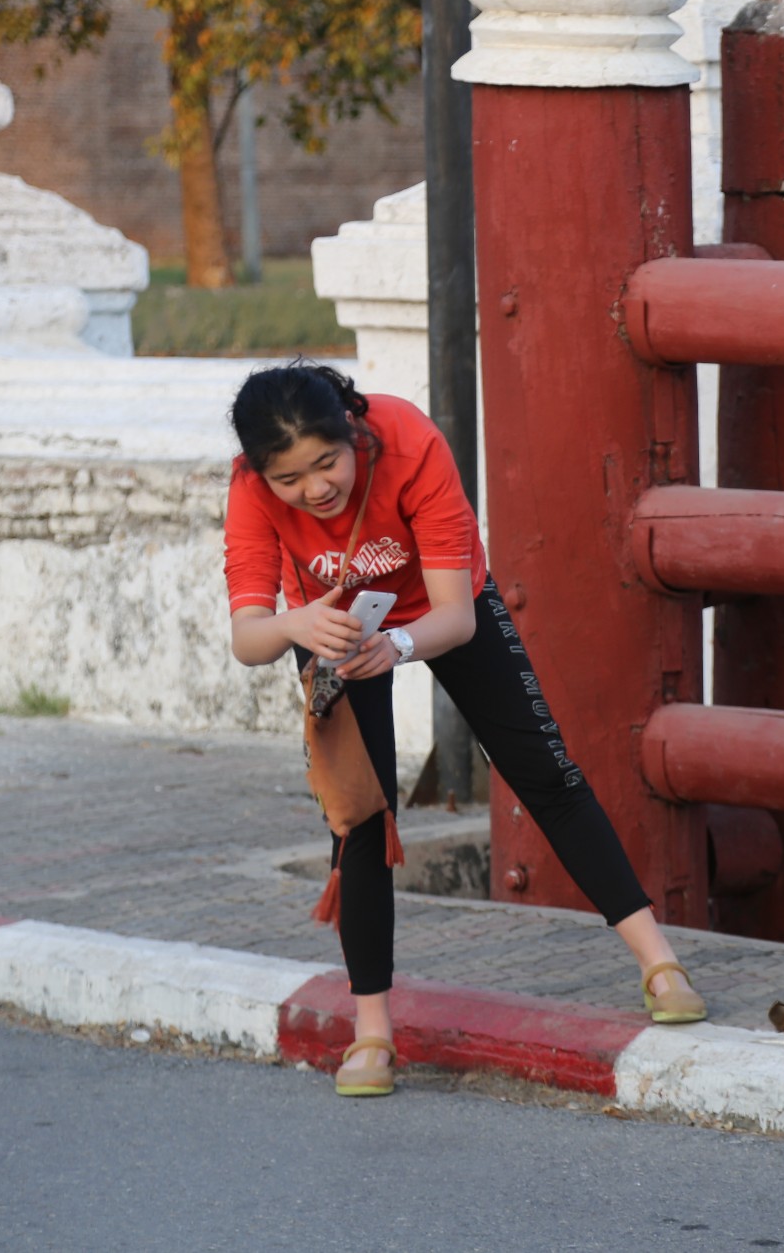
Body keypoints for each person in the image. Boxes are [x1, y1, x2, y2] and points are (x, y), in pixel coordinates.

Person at [222, 363, 706, 1098]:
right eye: (291, 479)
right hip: (328, 628)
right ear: (260, 474)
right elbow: (248, 634)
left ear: (352, 431)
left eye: (327, 462)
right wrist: (297, 623)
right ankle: (374, 1032)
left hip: (440, 612)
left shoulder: (409, 441)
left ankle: (659, 963)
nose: (316, 488)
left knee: (546, 773)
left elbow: (456, 615)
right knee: (359, 817)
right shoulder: (249, 490)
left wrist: (400, 645)